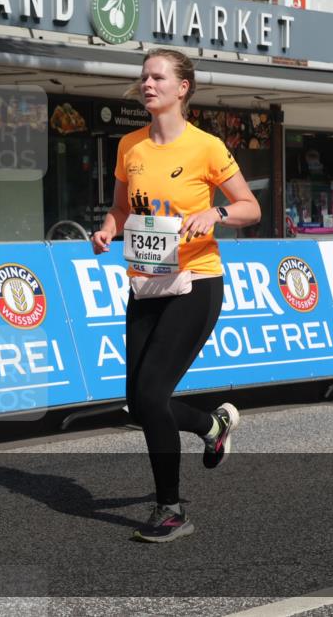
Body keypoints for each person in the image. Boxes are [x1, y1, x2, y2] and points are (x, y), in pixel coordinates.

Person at [91, 48, 261, 543]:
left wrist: (217, 215)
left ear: (182, 87)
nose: (147, 84)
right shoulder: (130, 147)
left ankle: (171, 510)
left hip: (197, 282)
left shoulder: (206, 147)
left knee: (150, 395)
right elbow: (122, 210)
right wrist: (106, 231)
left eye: (158, 77)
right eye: (143, 77)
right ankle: (212, 426)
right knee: (140, 405)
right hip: (147, 282)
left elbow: (250, 205)